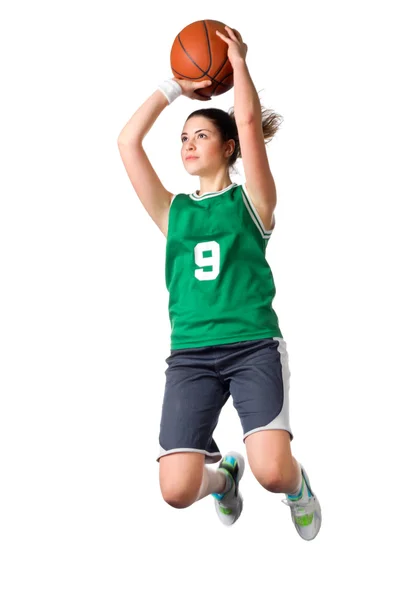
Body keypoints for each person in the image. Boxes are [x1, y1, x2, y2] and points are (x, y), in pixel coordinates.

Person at [117, 25, 322, 541]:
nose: (188, 144)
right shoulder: (174, 212)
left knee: (274, 471)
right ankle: (223, 479)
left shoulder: (252, 203)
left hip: (252, 346)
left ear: (229, 148)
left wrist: (238, 63)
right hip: (190, 355)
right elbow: (126, 142)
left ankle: (299, 491)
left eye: (201, 135)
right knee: (176, 489)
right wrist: (174, 86)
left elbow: (249, 121)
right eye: (183, 138)